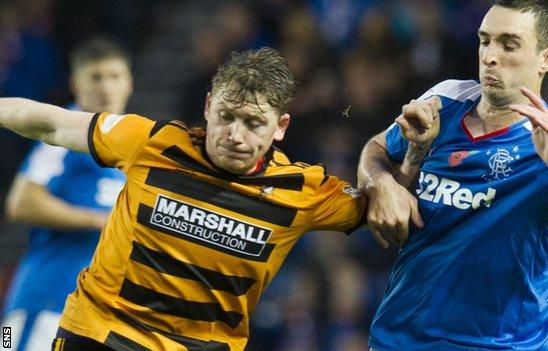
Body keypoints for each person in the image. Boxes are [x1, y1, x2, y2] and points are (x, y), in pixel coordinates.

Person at [0, 47, 365, 351]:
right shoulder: (151, 143)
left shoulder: (305, 190)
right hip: (100, 332)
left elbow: (384, 208)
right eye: (225, 116)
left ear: (281, 126)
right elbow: (50, 124)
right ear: (208, 106)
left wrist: (394, 168)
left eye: (253, 123)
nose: (234, 135)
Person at [357, 1, 548, 350]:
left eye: (508, 45)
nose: (490, 56)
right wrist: (381, 182)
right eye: (485, 41)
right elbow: (375, 149)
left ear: (547, 59)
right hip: (402, 339)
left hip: (502, 345)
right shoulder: (445, 100)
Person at [1, 37, 132, 351]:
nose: (106, 88)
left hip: (93, 315)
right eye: (96, 77)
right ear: (76, 83)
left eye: (115, 77)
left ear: (129, 83)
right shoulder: (63, 136)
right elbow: (21, 202)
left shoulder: (128, 147)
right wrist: (101, 220)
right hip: (40, 301)